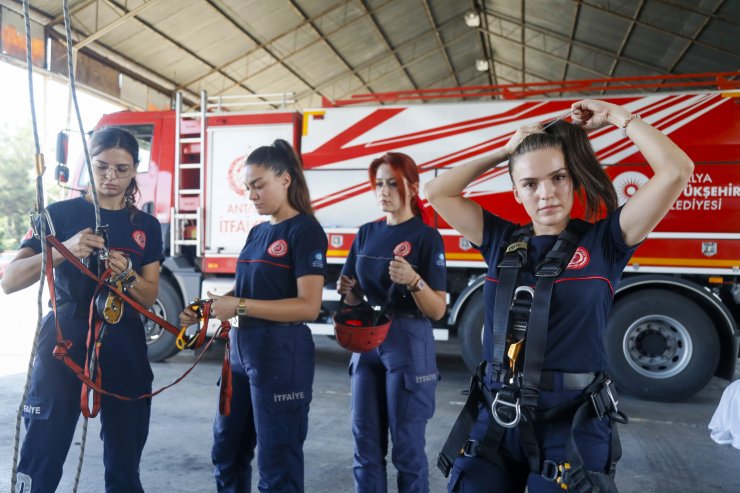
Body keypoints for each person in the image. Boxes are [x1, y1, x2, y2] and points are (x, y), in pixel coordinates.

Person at [424, 99, 694, 492]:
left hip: (572, 424)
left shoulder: (606, 242)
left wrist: (617, 117)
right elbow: (437, 192)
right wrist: (506, 149)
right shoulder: (500, 240)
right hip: (497, 416)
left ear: (573, 180)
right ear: (516, 192)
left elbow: (677, 170)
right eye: (530, 184)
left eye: (558, 178)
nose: (546, 193)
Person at [2, 127, 163, 492]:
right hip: (65, 336)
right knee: (42, 450)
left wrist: (129, 277)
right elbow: (10, 280)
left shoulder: (146, 227)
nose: (110, 177)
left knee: (125, 458)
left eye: (122, 169)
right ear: (88, 165)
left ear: (135, 169)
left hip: (123, 337)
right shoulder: (58, 214)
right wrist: (64, 250)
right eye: (101, 166)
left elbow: (149, 296)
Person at [179, 139, 327, 492]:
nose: (252, 195)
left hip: (281, 354)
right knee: (227, 451)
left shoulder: (305, 231)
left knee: (278, 465)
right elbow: (246, 290)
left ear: (285, 179)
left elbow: (308, 305)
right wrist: (207, 308)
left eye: (258, 185)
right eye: (248, 187)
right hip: (242, 354)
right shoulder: (258, 232)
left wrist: (239, 307)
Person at [337, 152, 448, 493]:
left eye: (391, 184)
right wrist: (349, 292)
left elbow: (438, 310)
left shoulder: (427, 237)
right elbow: (351, 300)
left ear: (412, 188)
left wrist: (414, 280)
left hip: (408, 341)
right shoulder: (366, 233)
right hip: (367, 340)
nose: (383, 191)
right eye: (378, 184)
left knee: (407, 449)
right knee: (365, 446)